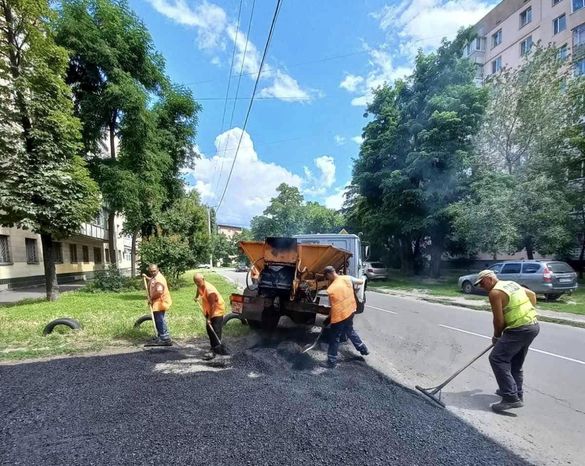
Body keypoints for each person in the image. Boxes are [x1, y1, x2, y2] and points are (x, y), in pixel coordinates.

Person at [475, 269, 540, 412]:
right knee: (515, 362)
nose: (481, 286)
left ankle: (511, 397)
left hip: (519, 329)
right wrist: (529, 313)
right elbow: (532, 295)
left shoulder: (495, 293)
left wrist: (497, 336)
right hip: (532, 326)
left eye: (481, 283)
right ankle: (517, 393)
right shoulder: (510, 284)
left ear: (489, 279)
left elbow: (498, 320)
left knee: (497, 359)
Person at [321, 265, 369, 369]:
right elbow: (360, 282)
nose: (327, 279)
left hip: (339, 316)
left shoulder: (331, 289)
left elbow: (332, 307)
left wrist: (328, 319)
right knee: (349, 331)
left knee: (334, 338)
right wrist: (363, 278)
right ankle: (363, 349)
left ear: (329, 274)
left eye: (326, 277)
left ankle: (331, 361)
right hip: (351, 310)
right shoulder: (347, 278)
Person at [194, 273, 229, 360]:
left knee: (215, 330)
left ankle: (217, 350)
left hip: (217, 310)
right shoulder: (200, 285)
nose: (197, 284)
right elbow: (198, 289)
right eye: (196, 282)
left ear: (203, 279)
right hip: (208, 310)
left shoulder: (210, 290)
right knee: (209, 330)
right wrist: (196, 297)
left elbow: (213, 305)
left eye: (198, 282)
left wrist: (209, 318)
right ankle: (213, 348)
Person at [144, 264, 172, 347]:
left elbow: (159, 292)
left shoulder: (159, 279)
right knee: (158, 318)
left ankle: (165, 338)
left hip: (160, 301)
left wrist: (151, 298)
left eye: (154, 271)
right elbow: (153, 281)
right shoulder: (155, 277)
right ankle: (161, 335)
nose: (152, 273)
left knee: (159, 319)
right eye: (151, 271)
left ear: (158, 269)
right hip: (158, 301)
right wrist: (146, 277)